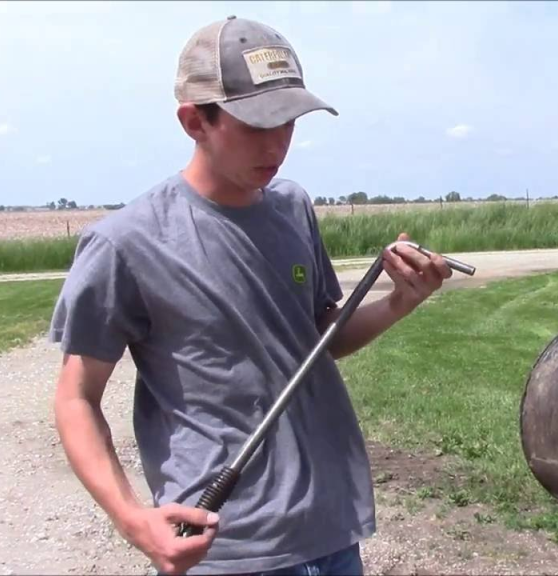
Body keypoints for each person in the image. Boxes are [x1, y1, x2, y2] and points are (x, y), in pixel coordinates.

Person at [49, 15, 454, 576]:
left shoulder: (291, 207)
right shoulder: (125, 243)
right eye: (256, 124)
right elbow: (76, 398)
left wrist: (398, 302)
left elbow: (317, 338)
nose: (278, 144)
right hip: (228, 545)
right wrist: (131, 518)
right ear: (195, 121)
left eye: (289, 121)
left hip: (332, 529)